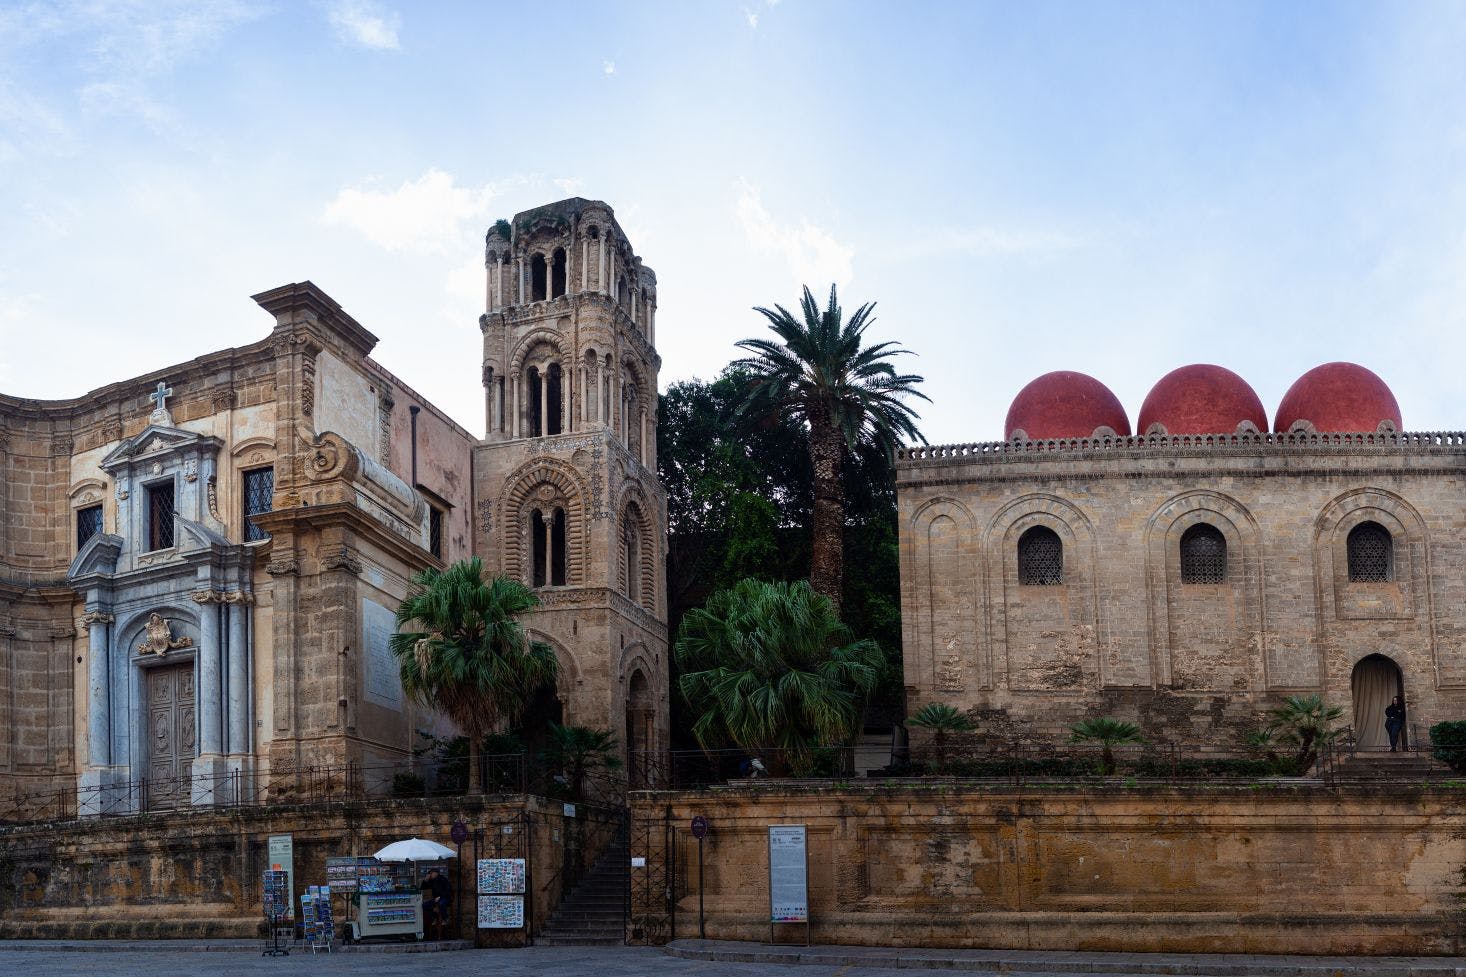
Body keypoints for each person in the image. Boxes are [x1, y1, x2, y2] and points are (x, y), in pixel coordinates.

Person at [420, 868, 452, 933]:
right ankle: (436, 916)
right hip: (436, 899)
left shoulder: (443, 879)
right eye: (430, 874)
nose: (431, 875)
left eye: (431, 873)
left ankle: (445, 919)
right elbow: (422, 888)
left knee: (441, 904)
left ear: (436, 873)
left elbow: (448, 891)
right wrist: (426, 880)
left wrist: (440, 897)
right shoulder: (432, 881)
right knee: (424, 905)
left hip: (445, 898)